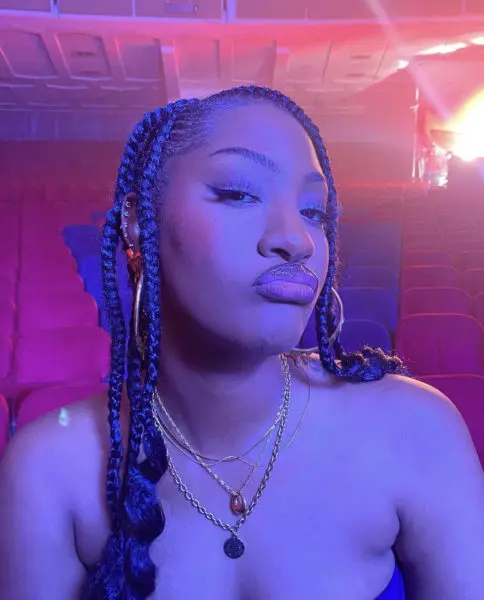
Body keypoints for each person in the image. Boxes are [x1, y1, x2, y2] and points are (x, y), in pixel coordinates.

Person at [1, 85, 484, 600]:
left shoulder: (415, 429)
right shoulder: (49, 470)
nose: (296, 239)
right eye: (238, 193)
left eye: (315, 212)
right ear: (139, 224)